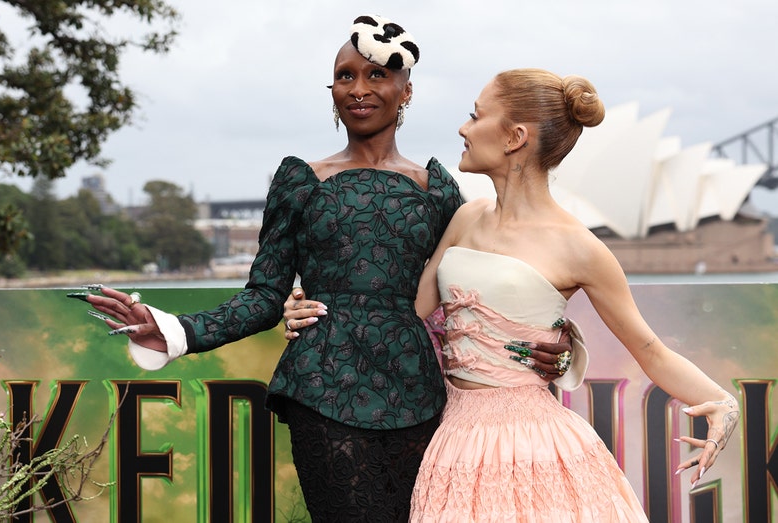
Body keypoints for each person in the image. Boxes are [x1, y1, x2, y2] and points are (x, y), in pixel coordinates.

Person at [72, 18, 574, 522]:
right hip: (323, 385)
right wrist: (178, 330)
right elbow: (265, 295)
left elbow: (485, 282)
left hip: (420, 393)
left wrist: (558, 339)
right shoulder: (301, 181)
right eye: (344, 76)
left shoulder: (438, 189)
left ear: (407, 90)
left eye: (376, 75)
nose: (357, 89)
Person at [394, 69, 738, 521]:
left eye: (475, 116)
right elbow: (406, 311)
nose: (463, 128)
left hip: (537, 448)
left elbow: (648, 348)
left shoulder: (580, 247)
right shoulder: (467, 218)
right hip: (454, 442)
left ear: (515, 136)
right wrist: (301, 300)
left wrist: (725, 404)